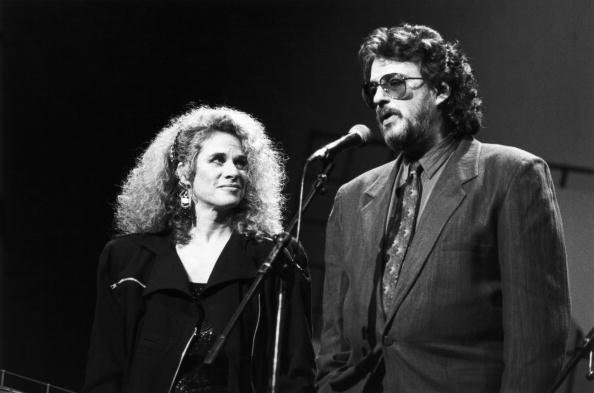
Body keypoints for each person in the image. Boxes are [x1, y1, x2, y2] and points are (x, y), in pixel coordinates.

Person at [316, 23, 570, 393]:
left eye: (395, 84)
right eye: (373, 88)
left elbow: (537, 343)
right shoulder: (352, 198)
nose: (378, 99)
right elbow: (334, 340)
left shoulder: (512, 175)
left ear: (440, 90)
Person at [82, 105, 315, 393]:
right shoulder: (127, 259)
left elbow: (297, 373)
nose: (233, 171)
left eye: (241, 163)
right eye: (218, 160)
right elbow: (105, 370)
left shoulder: (277, 256)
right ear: (184, 172)